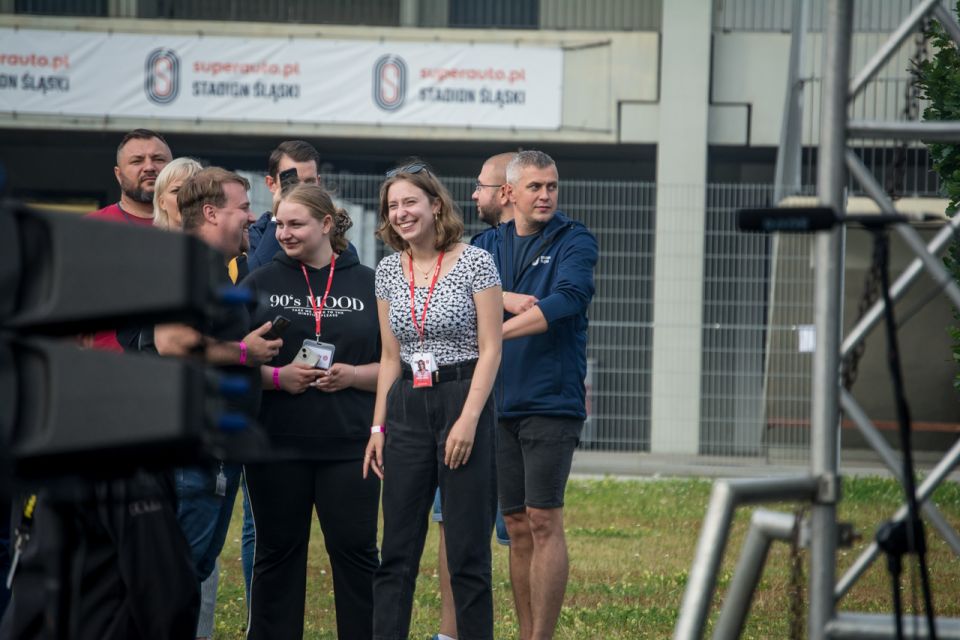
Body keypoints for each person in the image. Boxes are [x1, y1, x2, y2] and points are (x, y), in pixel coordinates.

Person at [363, 162, 502, 640]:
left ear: (435, 204)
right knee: (396, 550)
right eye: (392, 206)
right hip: (407, 405)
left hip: (463, 396)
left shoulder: (475, 261)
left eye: (410, 202)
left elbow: (491, 349)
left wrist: (468, 419)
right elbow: (387, 357)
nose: (401, 213)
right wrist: (378, 428)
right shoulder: (386, 271)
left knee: (467, 554)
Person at [241, 183, 381, 639]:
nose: (283, 233)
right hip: (277, 442)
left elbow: (395, 366)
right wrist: (276, 377)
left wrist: (353, 376)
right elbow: (229, 357)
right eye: (279, 223)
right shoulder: (260, 281)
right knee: (278, 554)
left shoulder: (370, 282)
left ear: (326, 224)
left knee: (357, 554)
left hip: (350, 445)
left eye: (295, 224)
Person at [473, 150, 598, 640]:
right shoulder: (486, 244)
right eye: (535, 187)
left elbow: (567, 300)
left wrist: (495, 333)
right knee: (517, 525)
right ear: (509, 193)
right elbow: (463, 292)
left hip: (551, 401)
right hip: (498, 401)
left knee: (544, 519)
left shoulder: (575, 239)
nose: (545, 195)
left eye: (552, 186)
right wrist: (499, 301)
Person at [158, 166, 282, 632]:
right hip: (197, 453)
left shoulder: (213, 267)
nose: (253, 217)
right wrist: (246, 351)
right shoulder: (190, 262)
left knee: (193, 573)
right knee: (177, 578)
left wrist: (267, 369)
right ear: (210, 213)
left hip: (212, 453)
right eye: (243, 208)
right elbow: (171, 339)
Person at [429, 151, 519, 640]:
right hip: (461, 408)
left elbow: (557, 305)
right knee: (452, 525)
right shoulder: (473, 251)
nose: (474, 195)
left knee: (520, 531)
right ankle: (450, 634)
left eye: (482, 186)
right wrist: (501, 300)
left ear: (505, 192)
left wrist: (495, 310)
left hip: (520, 410)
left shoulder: (567, 242)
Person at [86, 128, 173, 352]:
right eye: (137, 161)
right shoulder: (91, 229)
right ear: (118, 174)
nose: (149, 167)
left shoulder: (193, 229)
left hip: (174, 375)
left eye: (158, 159)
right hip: (107, 373)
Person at [246, 140, 322, 271]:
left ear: (318, 183)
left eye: (309, 182)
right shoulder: (255, 236)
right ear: (271, 184)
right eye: (293, 182)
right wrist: (278, 218)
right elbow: (255, 278)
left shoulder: (331, 235)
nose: (301, 191)